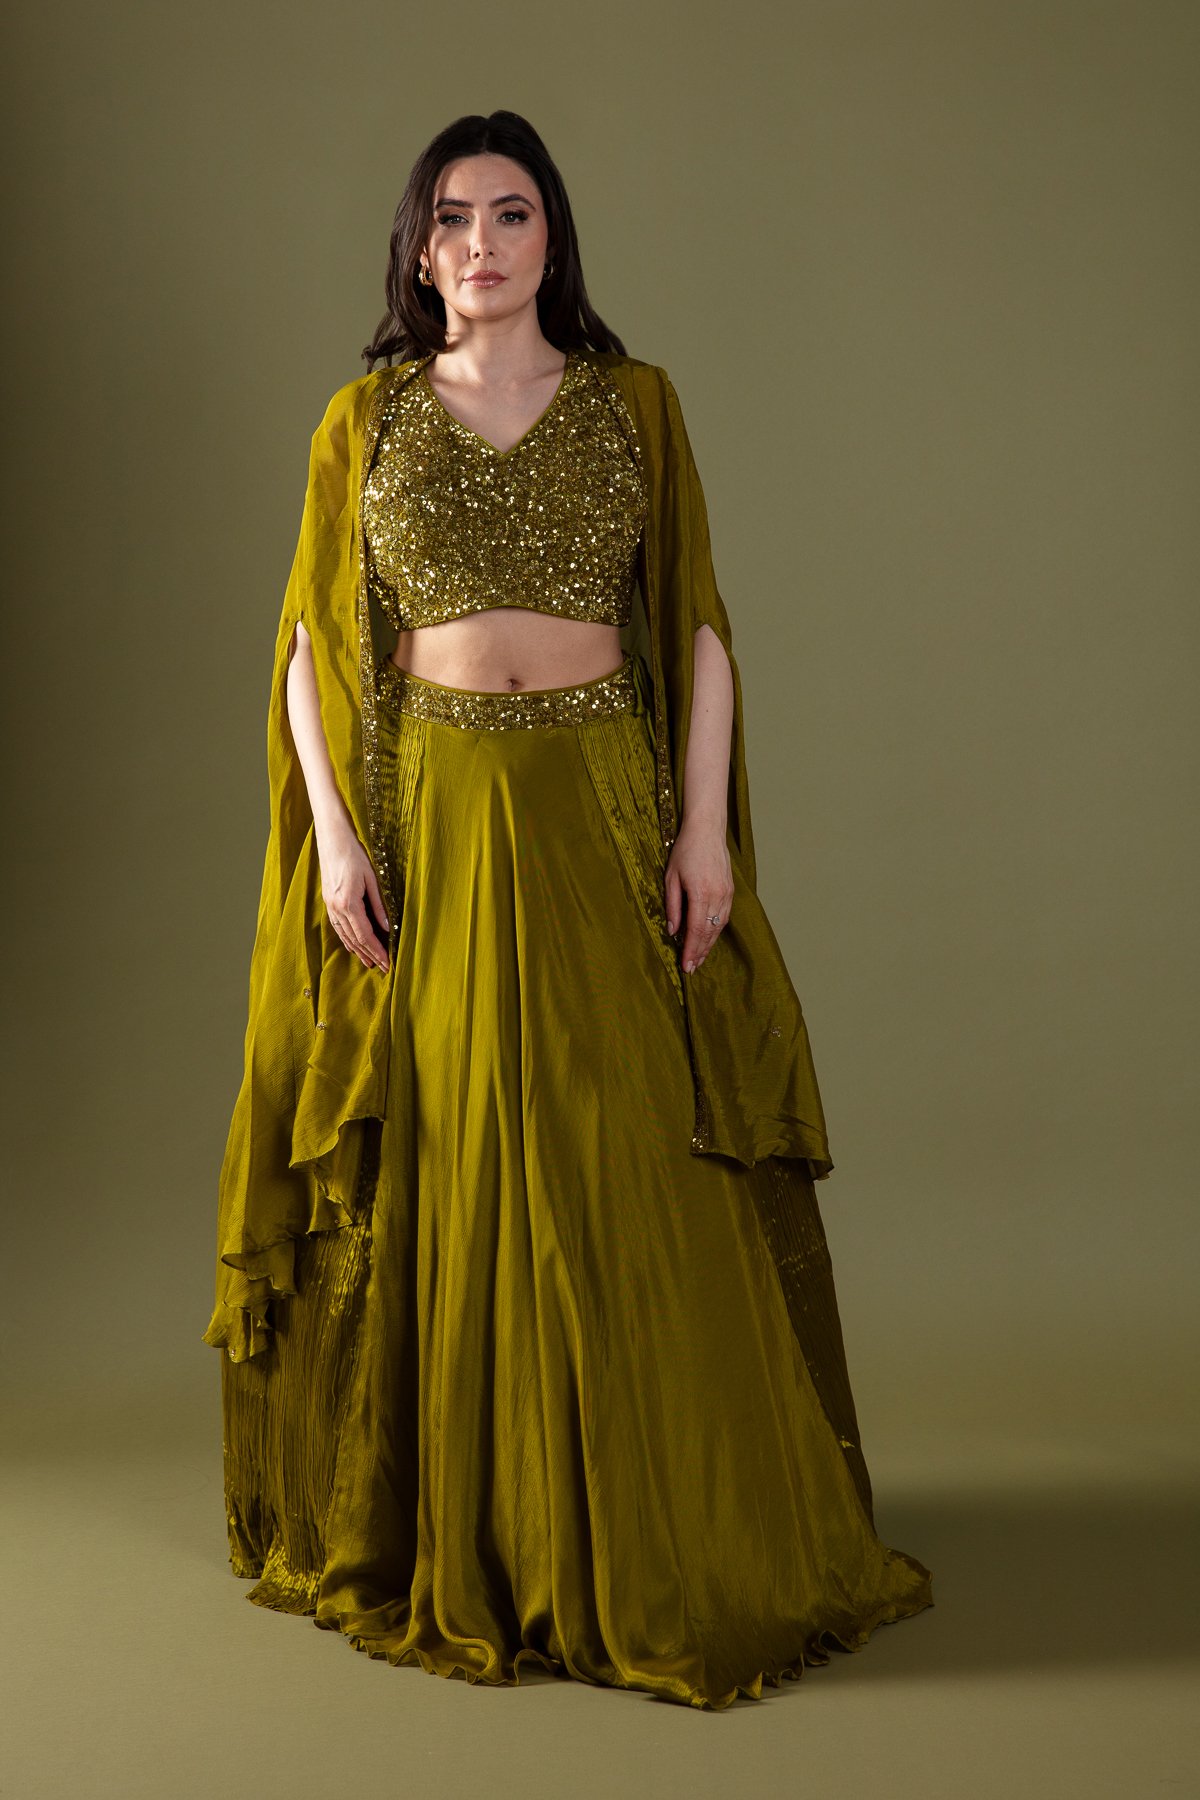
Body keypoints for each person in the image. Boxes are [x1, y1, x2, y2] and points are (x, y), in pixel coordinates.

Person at [202, 108, 934, 1711]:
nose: (480, 243)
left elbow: (700, 627)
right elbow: (313, 647)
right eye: (451, 217)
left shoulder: (636, 404)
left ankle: (656, 1535)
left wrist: (704, 830)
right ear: (417, 250)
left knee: (624, 1156)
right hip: (437, 821)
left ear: (554, 238)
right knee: (461, 1152)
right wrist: (336, 841)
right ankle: (480, 1537)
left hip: (601, 805)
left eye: (511, 213)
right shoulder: (364, 420)